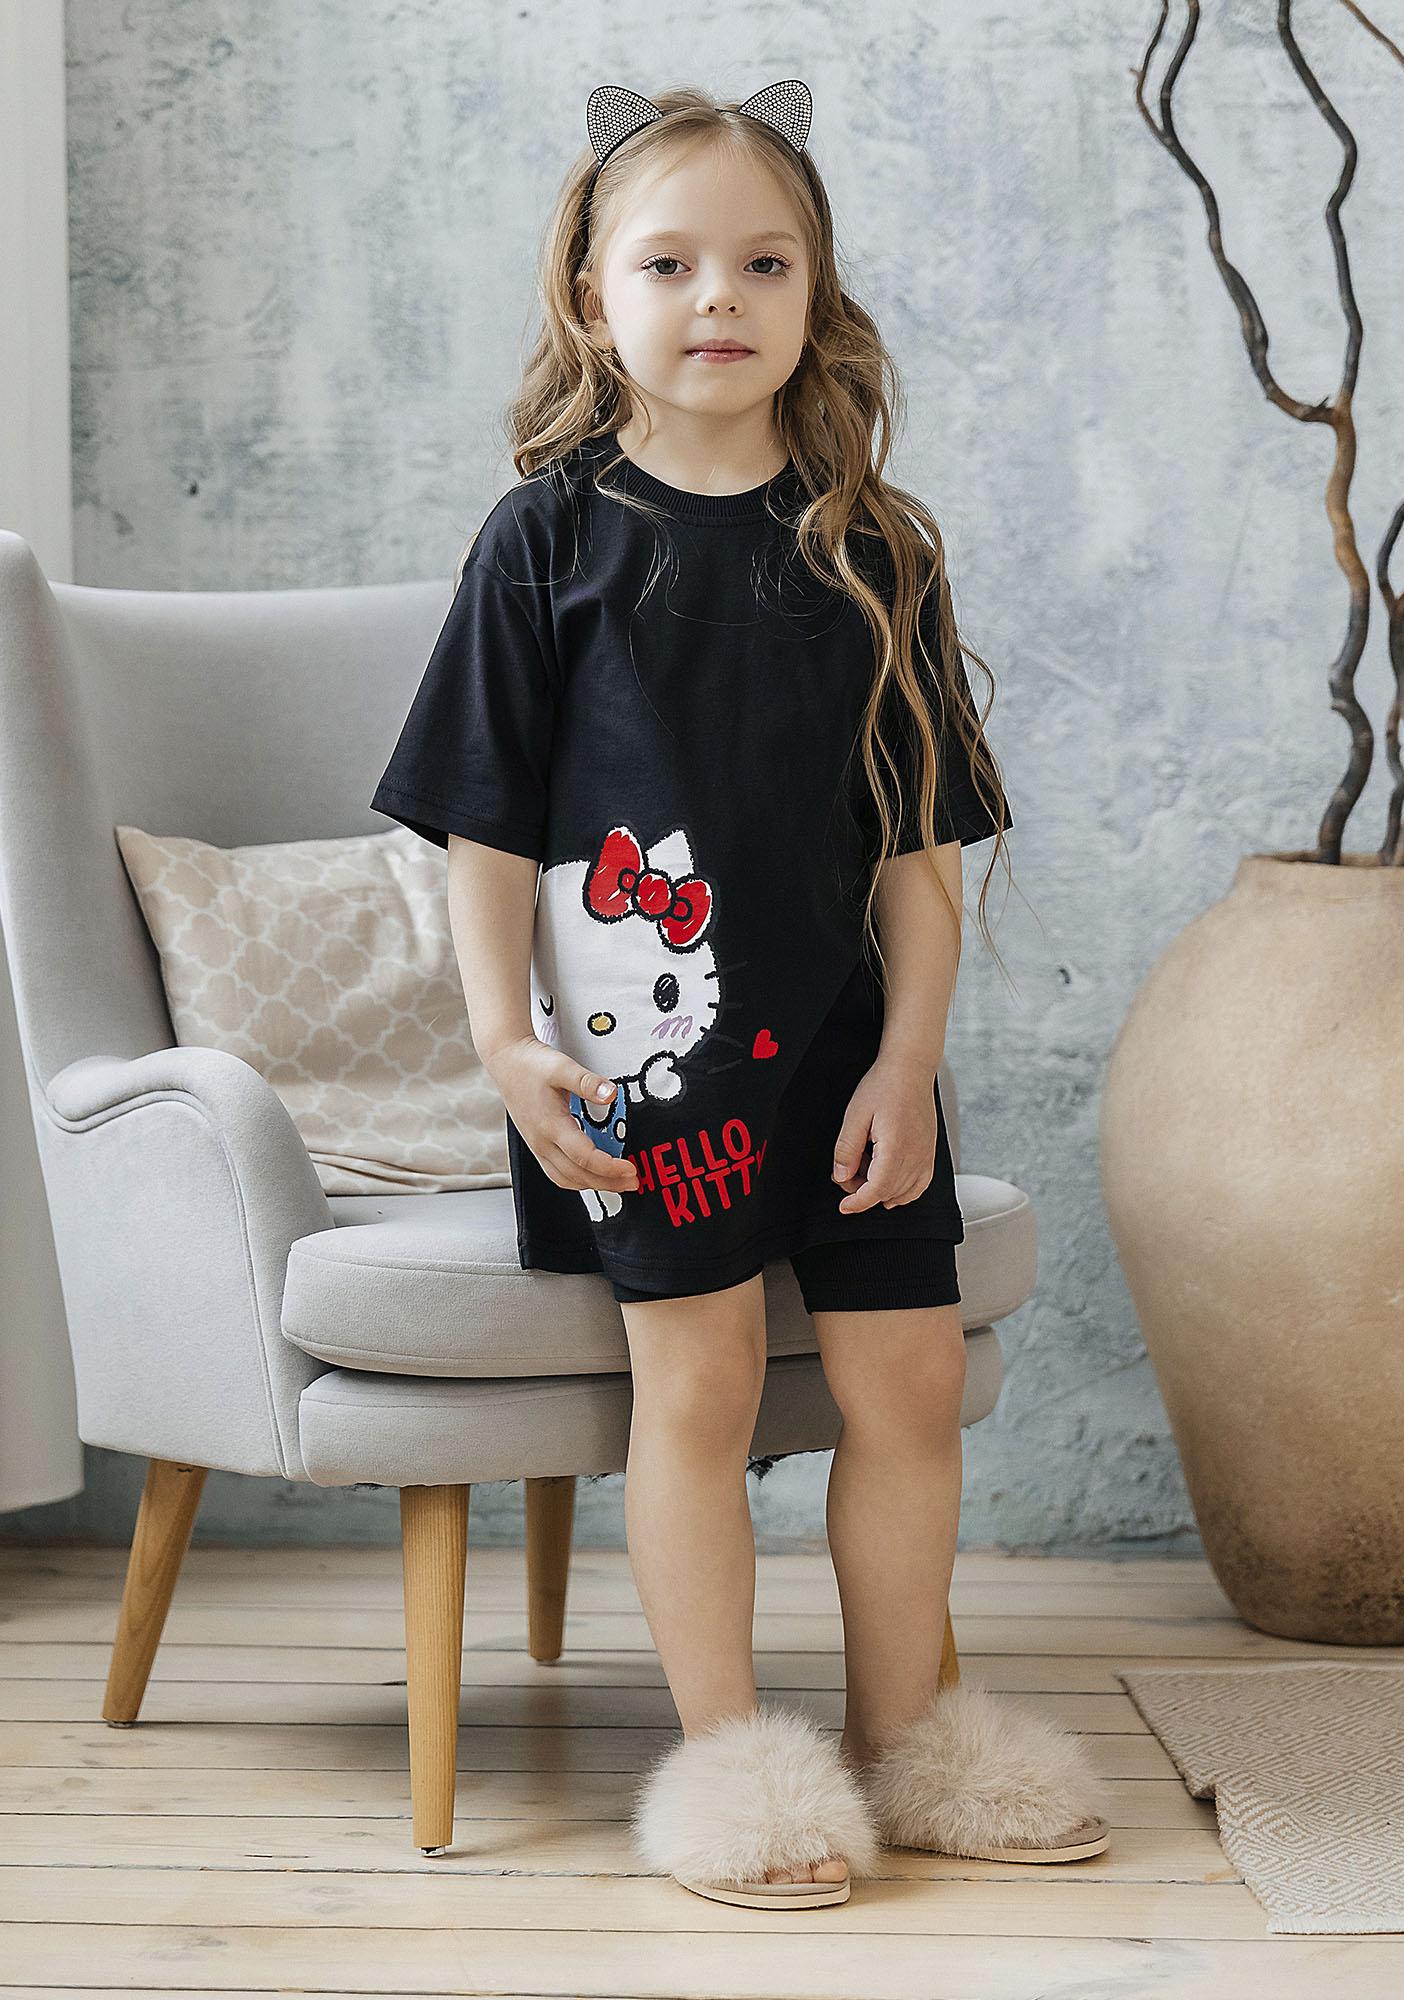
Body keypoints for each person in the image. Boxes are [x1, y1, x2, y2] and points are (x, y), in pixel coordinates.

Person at [370, 77, 1109, 1911]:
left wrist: (913, 1063)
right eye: (671, 262)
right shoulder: (547, 541)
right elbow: (484, 832)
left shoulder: (877, 546)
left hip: (852, 1062)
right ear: (592, 298)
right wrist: (504, 1041)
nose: (720, 295)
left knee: (908, 1384)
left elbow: (919, 855)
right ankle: (732, 1772)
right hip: (651, 1070)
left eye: (765, 263)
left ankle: (911, 1745)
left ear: (815, 293)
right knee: (694, 1392)